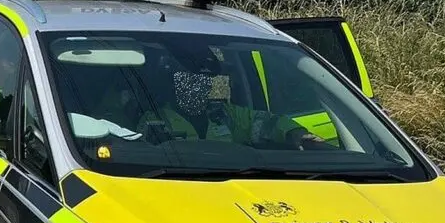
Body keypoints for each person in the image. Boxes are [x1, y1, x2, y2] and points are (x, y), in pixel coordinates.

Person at [136, 65, 326, 150]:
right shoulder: (154, 119)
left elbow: (267, 122)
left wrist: (294, 133)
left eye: (205, 81)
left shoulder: (224, 114)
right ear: (174, 85)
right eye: (190, 81)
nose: (200, 87)